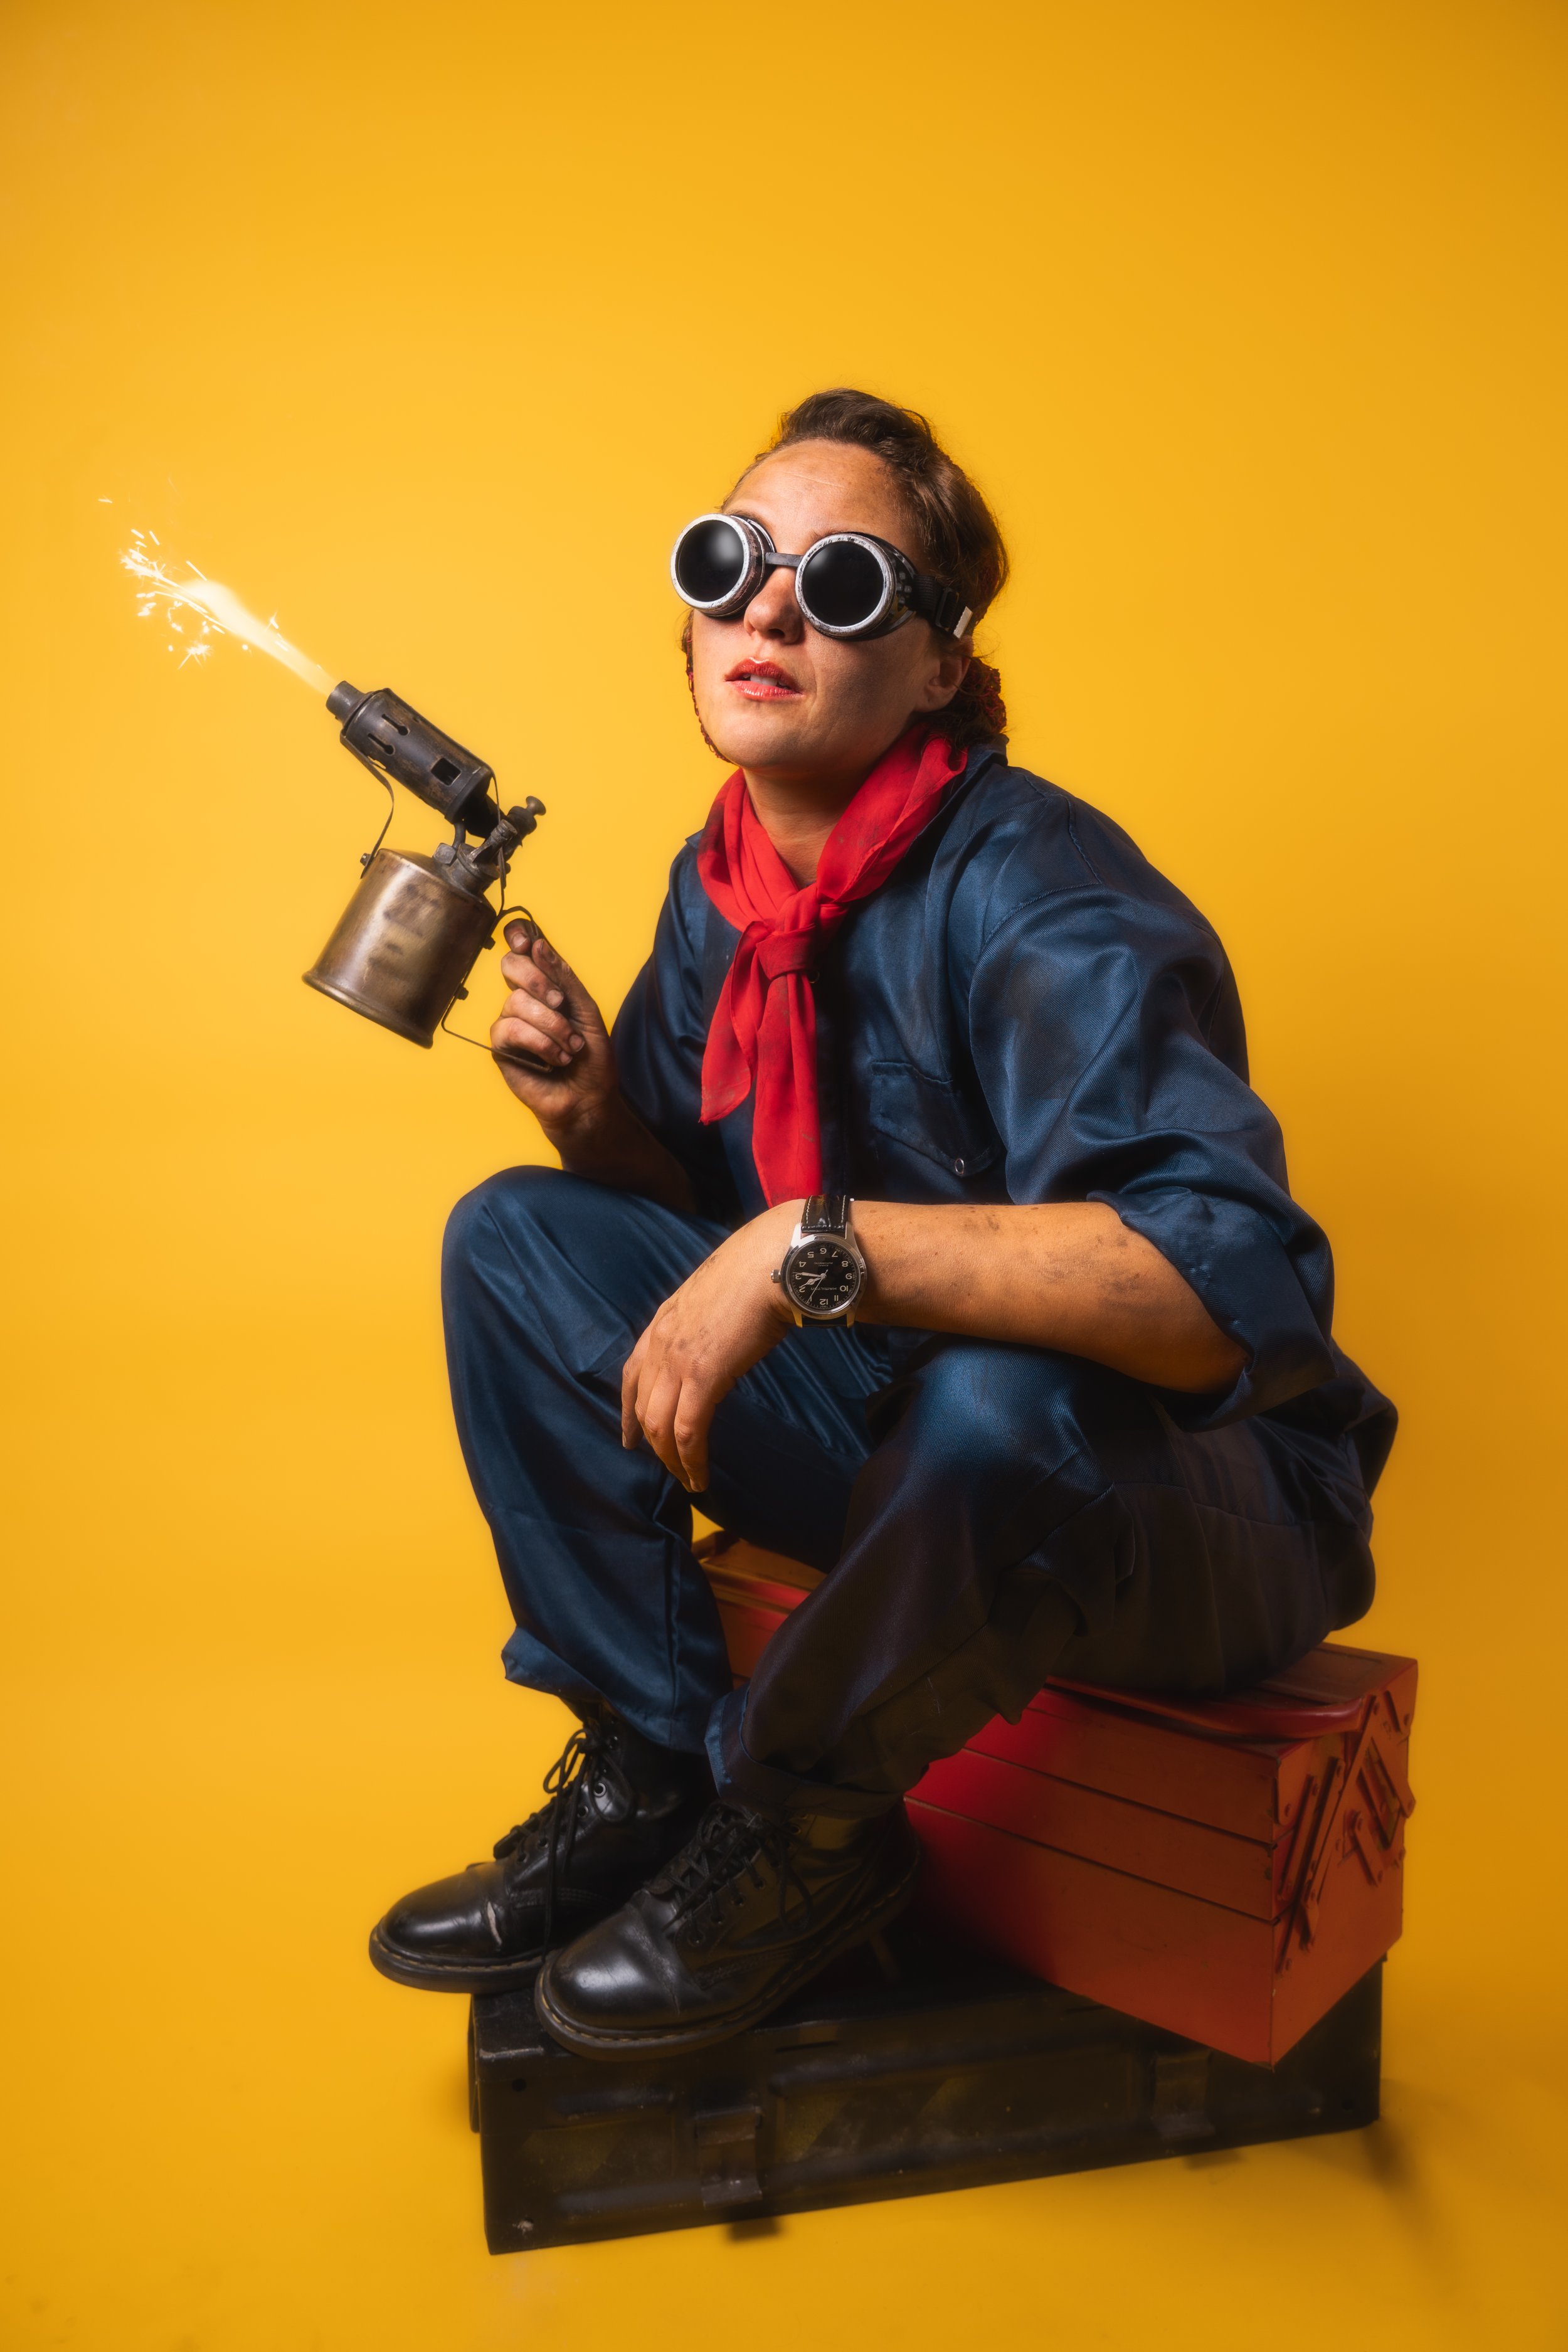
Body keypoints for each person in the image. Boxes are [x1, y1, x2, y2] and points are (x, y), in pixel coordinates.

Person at [369, 388, 1396, 2060]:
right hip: (909, 1455)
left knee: (1001, 1392)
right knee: (517, 1237)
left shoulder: (1042, 890)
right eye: (731, 563)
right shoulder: (722, 890)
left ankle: (805, 1831)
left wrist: (801, 1246)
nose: (766, 608)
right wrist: (597, 1123)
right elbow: (693, 1237)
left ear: (936, 664)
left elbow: (1221, 1279)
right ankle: (651, 1772)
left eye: (841, 583)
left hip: (1193, 1508)